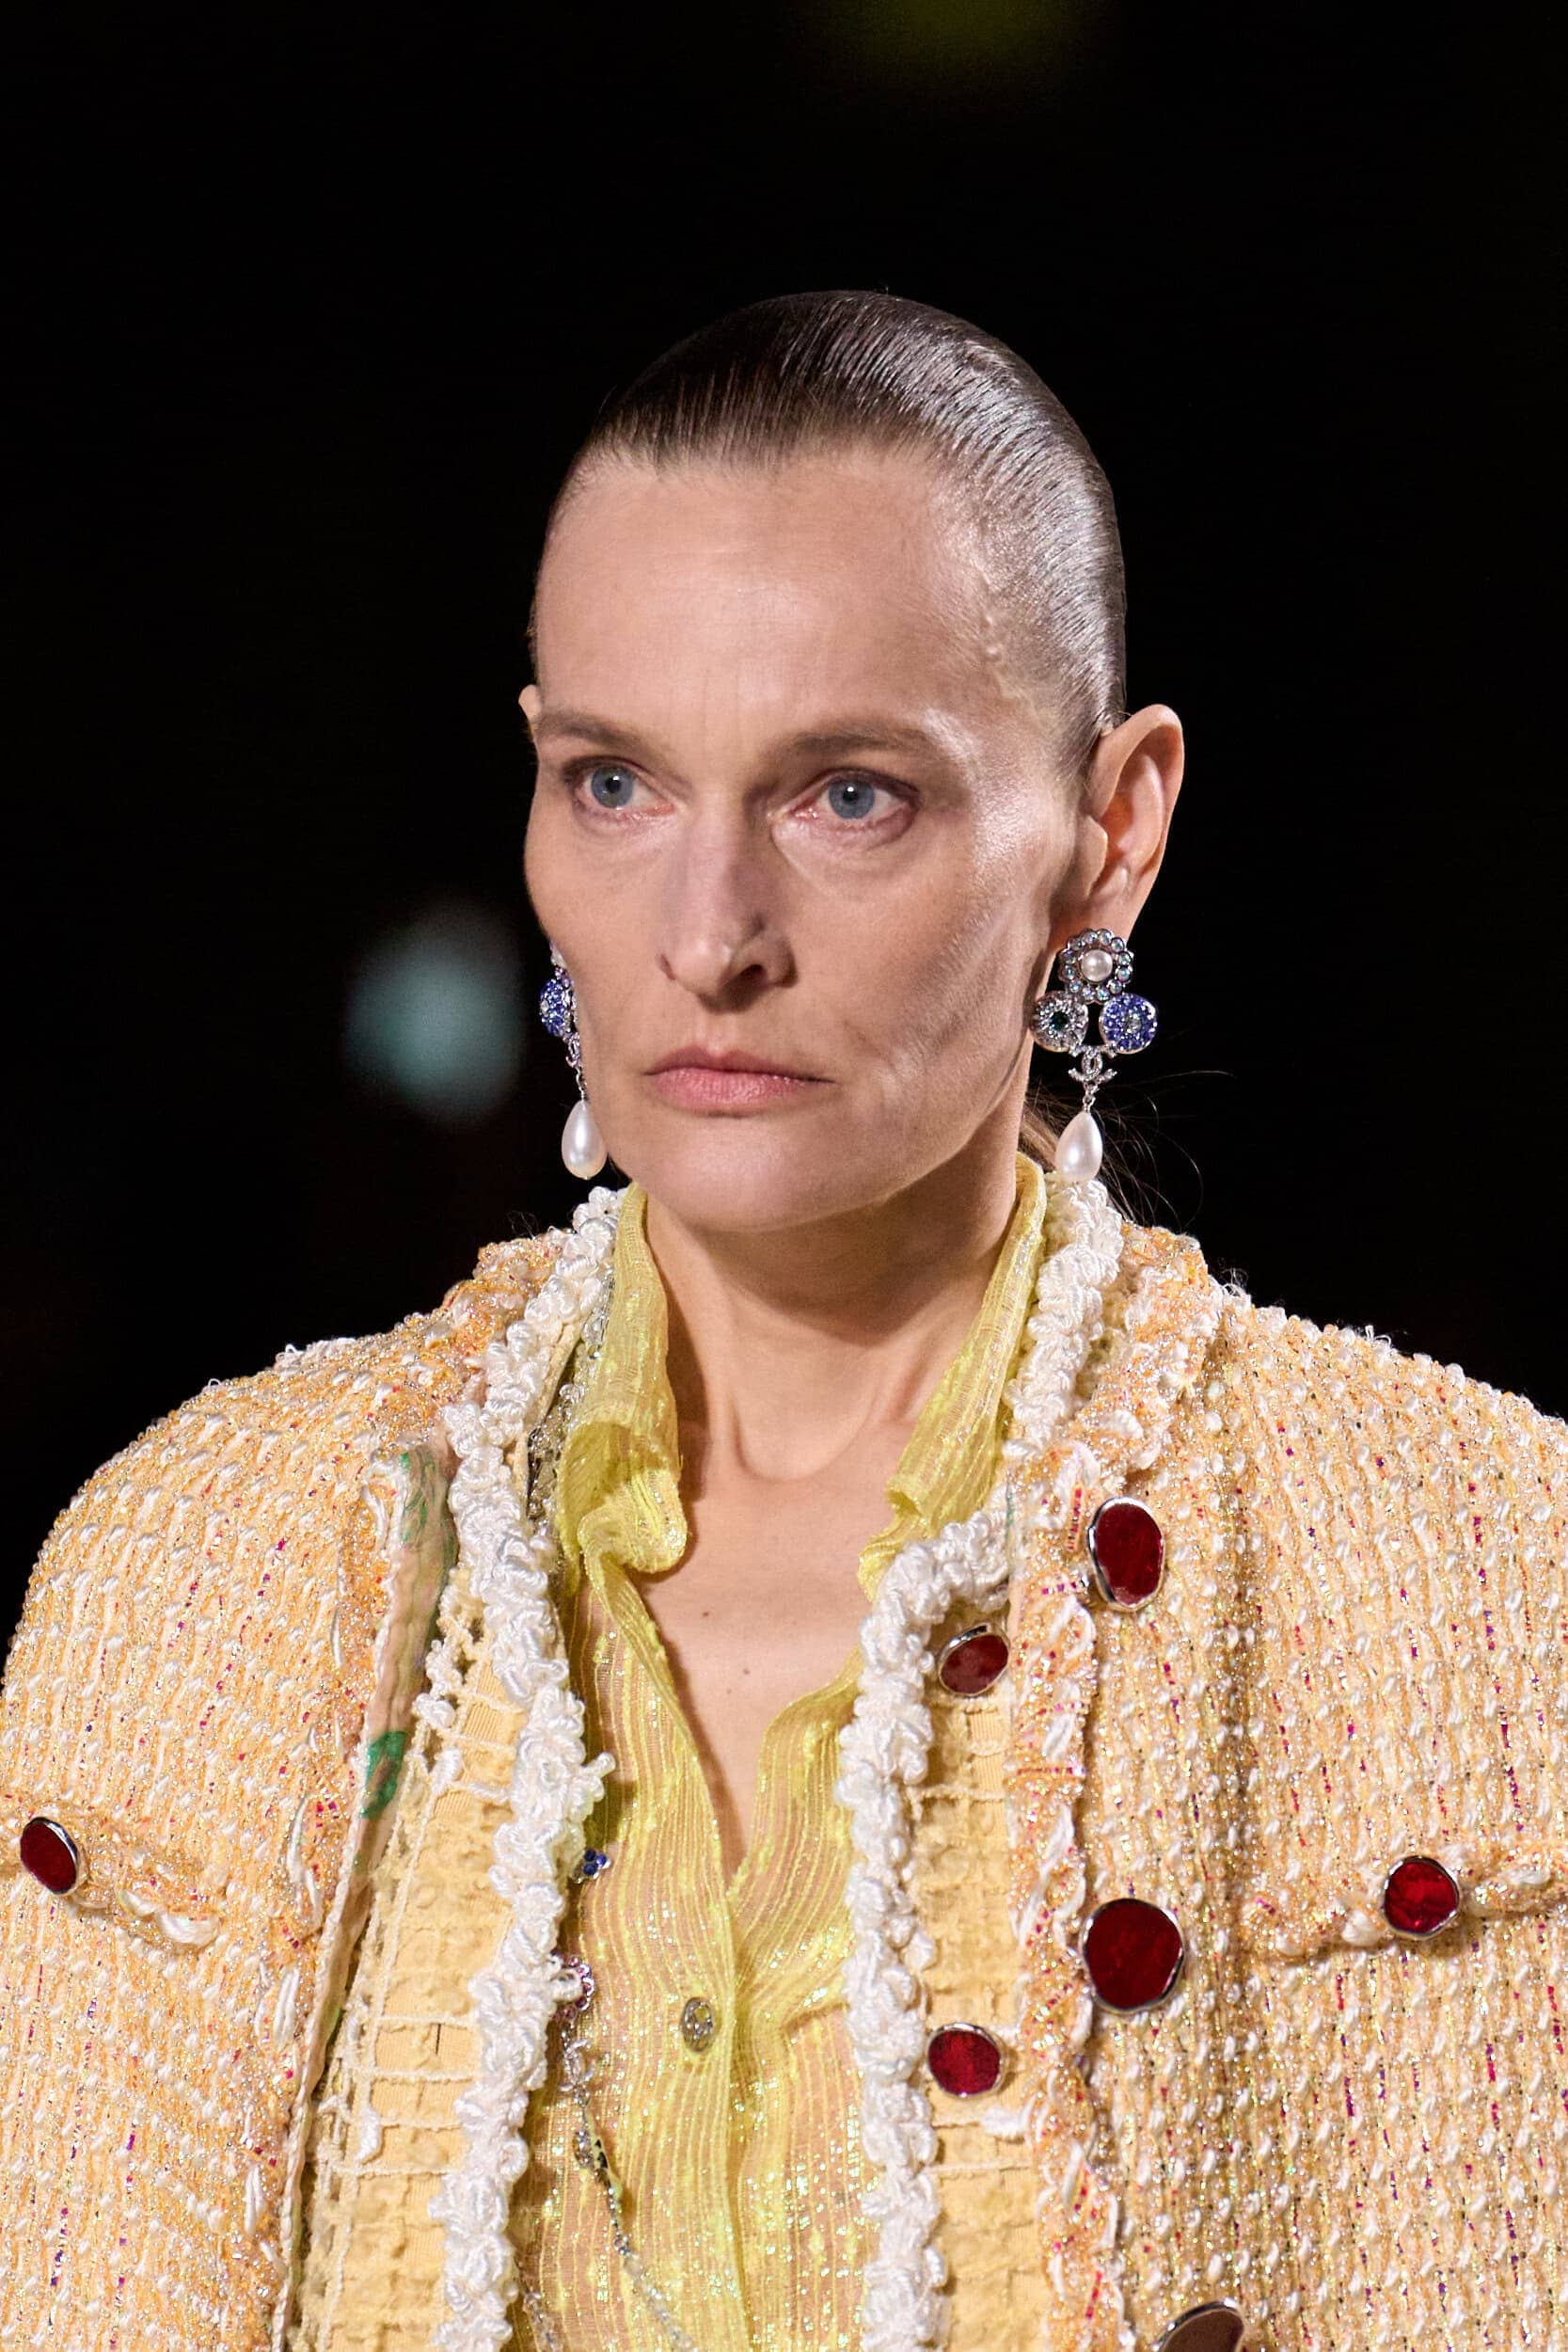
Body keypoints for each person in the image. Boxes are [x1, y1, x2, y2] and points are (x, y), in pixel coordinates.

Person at [1, 291, 1563, 2352]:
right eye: (618, 783)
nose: (709, 936)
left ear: (1111, 833)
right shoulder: (200, 1581)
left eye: (850, 796)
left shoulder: (1479, 1581)